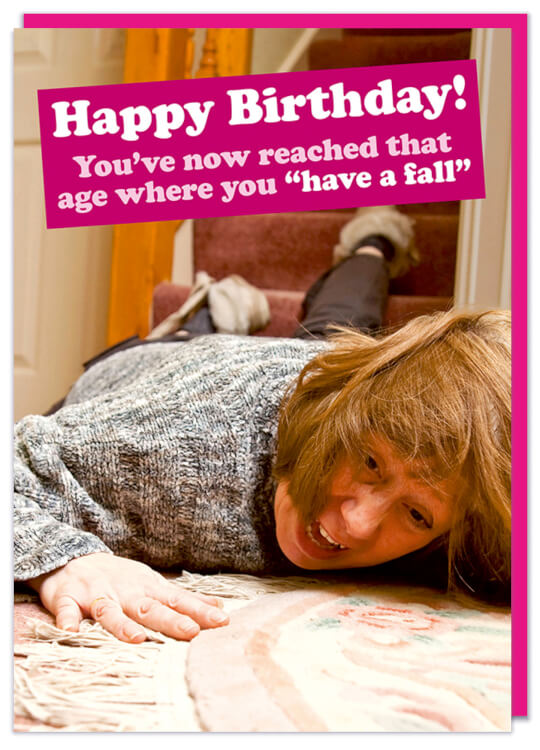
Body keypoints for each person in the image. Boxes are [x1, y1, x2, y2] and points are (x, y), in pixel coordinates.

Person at [13, 206, 511, 645]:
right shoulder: (184, 437)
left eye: (417, 515)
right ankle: (206, 312)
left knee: (341, 328)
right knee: (311, 336)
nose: (359, 524)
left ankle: (372, 244)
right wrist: (64, 558)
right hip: (160, 366)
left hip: (327, 374)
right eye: (371, 462)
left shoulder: (464, 505)